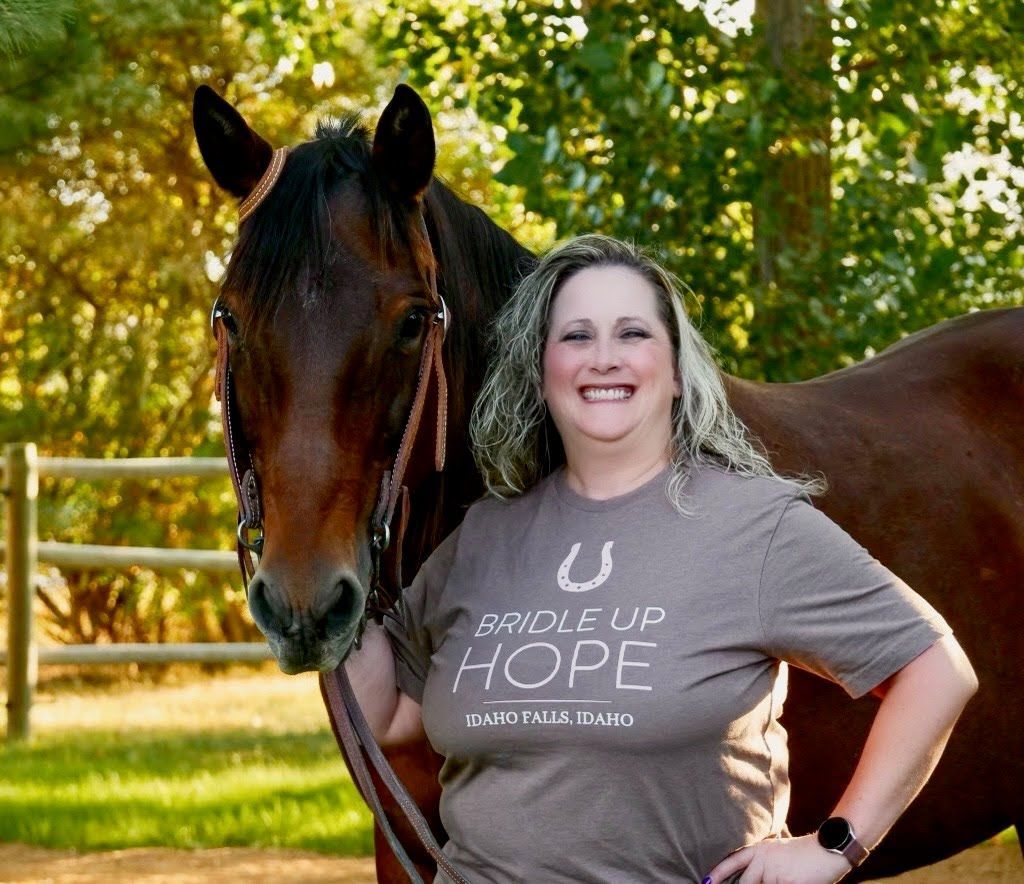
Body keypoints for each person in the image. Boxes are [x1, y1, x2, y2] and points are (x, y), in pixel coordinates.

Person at [344, 234, 978, 883]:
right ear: (539, 369)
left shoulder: (753, 525)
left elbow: (935, 670)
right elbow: (391, 714)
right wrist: (321, 582)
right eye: (576, 336)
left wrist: (835, 845)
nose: (604, 359)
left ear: (677, 368)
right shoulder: (483, 537)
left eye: (633, 333)